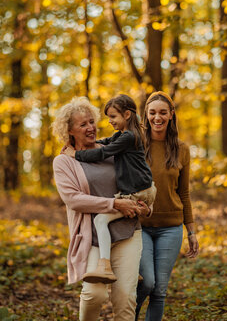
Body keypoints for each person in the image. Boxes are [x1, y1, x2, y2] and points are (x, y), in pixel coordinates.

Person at [52, 97, 149, 321]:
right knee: (93, 294)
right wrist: (114, 204)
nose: (91, 128)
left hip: (127, 232)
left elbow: (139, 179)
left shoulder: (113, 149)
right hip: (92, 235)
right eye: (83, 124)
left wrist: (146, 207)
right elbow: (74, 199)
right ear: (70, 131)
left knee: (126, 299)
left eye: (92, 122)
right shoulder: (64, 161)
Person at [63, 94, 156, 284]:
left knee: (101, 220)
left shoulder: (129, 137)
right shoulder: (124, 135)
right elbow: (105, 142)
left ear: (127, 115)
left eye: (113, 117)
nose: (109, 121)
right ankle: (127, 271)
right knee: (107, 220)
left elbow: (104, 151)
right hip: (142, 189)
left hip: (139, 191)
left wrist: (77, 154)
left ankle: (104, 265)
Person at [136, 91, 200, 320]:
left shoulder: (181, 149)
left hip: (170, 229)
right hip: (139, 226)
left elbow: (184, 193)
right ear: (146, 115)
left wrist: (191, 231)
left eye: (163, 112)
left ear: (171, 115)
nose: (157, 117)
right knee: (147, 282)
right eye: (152, 113)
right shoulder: (136, 144)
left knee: (160, 290)